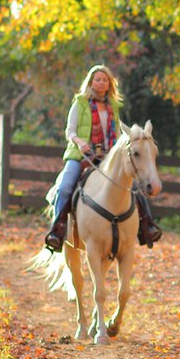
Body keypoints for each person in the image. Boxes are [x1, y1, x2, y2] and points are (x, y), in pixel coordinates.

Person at [43, 64, 161, 251]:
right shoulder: (80, 103)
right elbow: (69, 130)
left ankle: (147, 226)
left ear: (109, 84)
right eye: (97, 79)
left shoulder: (113, 106)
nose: (101, 82)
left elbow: (115, 131)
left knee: (134, 187)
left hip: (107, 155)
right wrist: (80, 142)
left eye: (104, 79)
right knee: (65, 188)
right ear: (91, 82)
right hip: (80, 155)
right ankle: (58, 230)